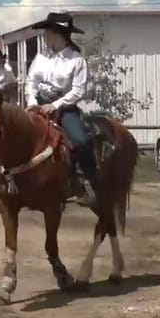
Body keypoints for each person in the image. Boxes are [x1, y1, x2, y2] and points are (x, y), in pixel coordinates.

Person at [24, 12, 96, 207]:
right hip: (36, 104)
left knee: (80, 140)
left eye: (48, 31)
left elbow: (78, 91)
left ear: (59, 34)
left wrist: (54, 105)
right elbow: (31, 82)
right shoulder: (41, 56)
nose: (45, 35)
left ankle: (85, 182)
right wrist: (32, 102)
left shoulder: (76, 60)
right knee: (9, 129)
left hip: (64, 107)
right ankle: (7, 180)